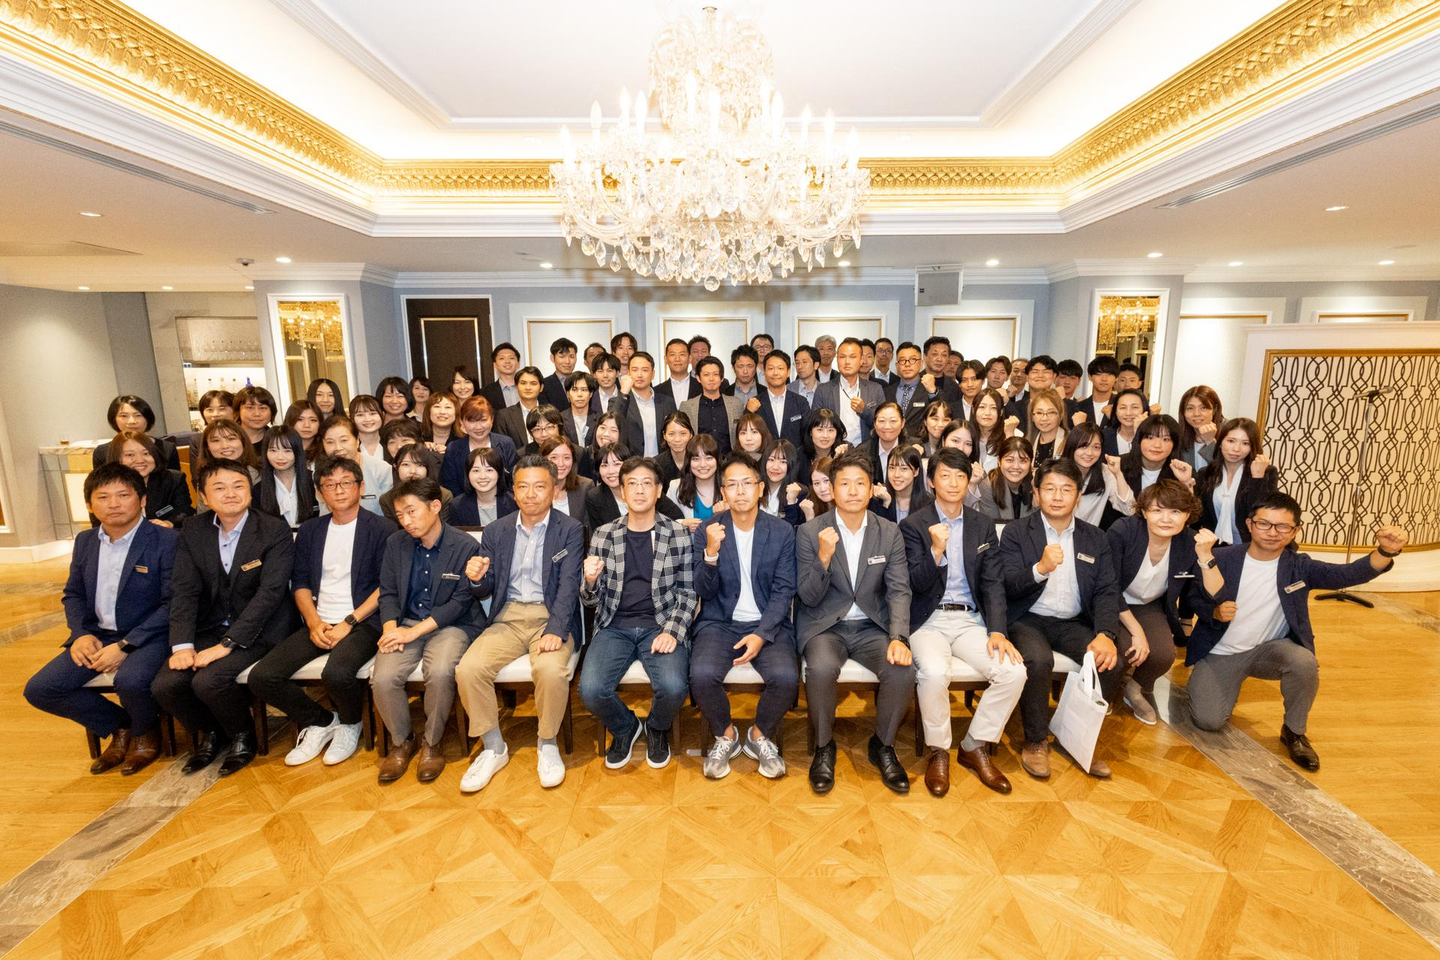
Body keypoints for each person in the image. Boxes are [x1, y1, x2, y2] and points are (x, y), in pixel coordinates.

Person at [1186, 493, 1407, 770]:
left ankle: (1294, 731)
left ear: (1295, 531)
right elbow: (1192, 598)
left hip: (1270, 650)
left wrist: (1385, 551)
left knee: (1304, 661)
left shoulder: (1299, 566)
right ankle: (1222, 686)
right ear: (1250, 525)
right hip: (1222, 652)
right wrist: (1213, 612)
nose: (1272, 532)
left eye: (1282, 526)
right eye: (1264, 524)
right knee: (1208, 720)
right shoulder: (1221, 557)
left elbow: (1347, 574)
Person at [24, 462, 178, 776]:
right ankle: (121, 726)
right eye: (103, 497)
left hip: (149, 634)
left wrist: (126, 645)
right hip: (97, 636)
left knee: (130, 680)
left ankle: (146, 734)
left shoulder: (166, 540)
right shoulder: (85, 541)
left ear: (142, 499)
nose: (114, 504)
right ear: (90, 505)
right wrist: (80, 633)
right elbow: (73, 594)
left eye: (123, 495)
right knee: (41, 689)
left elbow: (173, 603)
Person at [247, 456, 397, 767]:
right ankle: (322, 720)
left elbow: (387, 585)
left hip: (364, 622)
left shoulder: (382, 528)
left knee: (336, 673)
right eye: (330, 485)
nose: (339, 490)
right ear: (319, 492)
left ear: (361, 487)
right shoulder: (311, 530)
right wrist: (314, 623)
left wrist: (349, 621)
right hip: (319, 621)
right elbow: (300, 582)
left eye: (346, 483)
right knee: (263, 676)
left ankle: (351, 723)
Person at [152, 458, 295, 777]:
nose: (230, 493)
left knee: (209, 680)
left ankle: (243, 734)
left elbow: (270, 594)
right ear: (203, 496)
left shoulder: (273, 529)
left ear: (250, 491)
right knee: (166, 684)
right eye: (219, 487)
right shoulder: (193, 530)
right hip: (211, 625)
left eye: (238, 486)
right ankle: (212, 731)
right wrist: (182, 646)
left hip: (260, 630)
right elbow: (184, 591)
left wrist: (228, 644)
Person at [455, 455, 585, 792]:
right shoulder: (496, 531)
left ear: (554, 490)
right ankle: (493, 747)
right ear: (512, 491)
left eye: (539, 486)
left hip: (550, 617)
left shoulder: (569, 529)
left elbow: (569, 585)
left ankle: (547, 743)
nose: (530, 494)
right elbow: (486, 586)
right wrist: (476, 578)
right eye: (523, 487)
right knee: (468, 669)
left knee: (551, 670)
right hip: (507, 618)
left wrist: (556, 629)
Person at [900, 448, 1025, 795]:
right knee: (934, 673)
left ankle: (974, 744)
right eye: (945, 475)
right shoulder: (913, 525)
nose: (953, 483)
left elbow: (993, 583)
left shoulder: (982, 525)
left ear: (969, 480)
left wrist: (997, 631)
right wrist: (935, 551)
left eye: (960, 476)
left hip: (971, 621)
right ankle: (939, 750)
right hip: (929, 620)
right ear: (931, 482)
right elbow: (913, 584)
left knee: (1014, 672)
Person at [796, 451, 914, 795]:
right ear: (831, 490)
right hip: (825, 626)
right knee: (820, 670)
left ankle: (883, 745)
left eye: (859, 483)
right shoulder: (810, 532)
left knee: (902, 669)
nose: (852, 491)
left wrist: (899, 637)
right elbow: (807, 597)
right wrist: (823, 558)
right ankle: (823, 746)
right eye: (844, 484)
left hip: (872, 626)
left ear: (871, 489)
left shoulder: (888, 532)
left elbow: (899, 590)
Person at [998, 458, 1121, 780]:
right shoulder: (1016, 532)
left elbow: (1107, 590)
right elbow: (1007, 584)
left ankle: (1077, 736)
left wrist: (1106, 633)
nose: (1057, 496)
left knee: (1110, 662)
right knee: (1038, 660)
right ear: (1036, 493)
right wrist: (1039, 569)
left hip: (1073, 621)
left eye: (1066, 489)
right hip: (1027, 618)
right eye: (1049, 488)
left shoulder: (1095, 538)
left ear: (1078, 496)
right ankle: (1036, 741)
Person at [580, 456, 699, 769]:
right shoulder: (604, 535)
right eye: (631, 484)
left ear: (659, 490)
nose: (639, 490)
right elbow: (591, 602)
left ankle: (657, 728)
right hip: (614, 626)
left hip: (660, 624)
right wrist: (589, 582)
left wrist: (672, 631)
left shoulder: (677, 534)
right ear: (622, 492)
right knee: (591, 690)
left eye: (647, 483)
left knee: (674, 687)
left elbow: (688, 593)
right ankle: (626, 727)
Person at [691, 453, 799, 780]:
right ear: (723, 492)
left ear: (760, 488)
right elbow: (703, 591)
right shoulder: (708, 529)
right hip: (719, 622)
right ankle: (725, 734)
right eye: (732, 485)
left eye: (747, 484)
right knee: (701, 675)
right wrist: (710, 554)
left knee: (786, 678)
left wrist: (762, 634)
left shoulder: (781, 531)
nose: (740, 491)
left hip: (768, 622)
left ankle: (758, 734)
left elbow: (784, 591)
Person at [372, 477, 484, 784]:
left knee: (440, 670)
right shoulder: (396, 544)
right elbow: (388, 592)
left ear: (435, 506)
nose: (406, 521)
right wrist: (391, 629)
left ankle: (432, 743)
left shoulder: (464, 545)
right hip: (406, 623)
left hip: (452, 625)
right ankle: (402, 741)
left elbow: (461, 601)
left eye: (412, 512)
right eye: (400, 515)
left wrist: (413, 633)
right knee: (383, 677)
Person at [1106, 481, 1223, 725]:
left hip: (1149, 606)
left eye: (1175, 511)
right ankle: (1103, 694)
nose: (1166, 519)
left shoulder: (1189, 542)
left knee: (1163, 655)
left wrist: (1206, 555)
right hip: (1111, 602)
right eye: (1157, 510)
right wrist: (1137, 632)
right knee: (1124, 652)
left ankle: (1134, 689)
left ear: (1187, 515)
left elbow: (1213, 593)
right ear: (1144, 511)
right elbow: (1108, 586)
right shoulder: (1124, 531)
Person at [1195, 418, 1278, 545]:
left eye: (1245, 443)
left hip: (1252, 545)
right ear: (1220, 442)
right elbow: (1200, 516)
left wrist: (1257, 478)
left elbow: (1262, 515)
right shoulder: (1206, 473)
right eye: (1231, 441)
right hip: (1214, 545)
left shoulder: (1266, 472)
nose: (1236, 449)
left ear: (1252, 447)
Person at [110, 432, 192, 527]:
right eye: (130, 455)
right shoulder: (105, 485)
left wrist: (168, 523)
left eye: (146, 453)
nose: (140, 460)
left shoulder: (173, 479)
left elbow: (184, 511)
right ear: (117, 458)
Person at [813, 339, 885, 446]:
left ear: (861, 360)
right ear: (837, 360)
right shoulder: (823, 390)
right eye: (842, 357)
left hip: (866, 450)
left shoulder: (875, 389)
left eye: (852, 357)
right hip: (834, 450)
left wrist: (864, 411)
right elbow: (815, 425)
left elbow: (883, 426)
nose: (847, 362)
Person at [440, 395, 517, 497]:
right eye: (472, 421)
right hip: (464, 504)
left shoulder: (506, 444)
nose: (478, 427)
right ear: (462, 422)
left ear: (492, 420)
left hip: (503, 502)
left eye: (483, 420)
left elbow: (513, 480)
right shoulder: (453, 448)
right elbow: (451, 486)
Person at [1061, 424, 1135, 526]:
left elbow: (1129, 509)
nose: (1089, 453)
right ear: (1072, 446)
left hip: (1087, 534)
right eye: (1084, 446)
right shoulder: (1056, 471)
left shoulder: (1104, 473)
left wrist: (1118, 474)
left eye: (1096, 447)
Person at [318, 415, 393, 515]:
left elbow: (389, 513)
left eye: (344, 440)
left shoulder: (381, 470)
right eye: (330, 442)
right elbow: (325, 513)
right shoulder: (321, 473)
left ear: (357, 440)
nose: (338, 448)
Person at [613, 352, 674, 459]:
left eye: (645, 370)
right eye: (635, 370)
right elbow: (614, 424)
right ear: (628, 373)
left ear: (653, 374)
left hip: (661, 463)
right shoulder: (619, 401)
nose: (639, 375)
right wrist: (624, 392)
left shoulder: (667, 402)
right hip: (630, 463)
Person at [680, 356, 745, 455]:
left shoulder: (736, 404)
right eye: (706, 375)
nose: (711, 379)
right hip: (699, 459)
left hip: (730, 460)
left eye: (715, 374)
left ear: (722, 378)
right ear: (698, 378)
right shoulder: (687, 407)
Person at [252, 428, 316, 528]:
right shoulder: (258, 490)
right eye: (273, 450)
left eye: (287, 451)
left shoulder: (314, 480)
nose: (280, 457)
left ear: (297, 451)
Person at [92, 396, 176, 469]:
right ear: (114, 419)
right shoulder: (102, 452)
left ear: (148, 418)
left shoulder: (166, 448)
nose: (132, 421)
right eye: (124, 416)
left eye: (138, 415)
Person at [379, 443, 452, 521]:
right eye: (406, 464)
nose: (413, 471)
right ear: (396, 466)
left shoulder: (444, 495)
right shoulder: (387, 499)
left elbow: (443, 526)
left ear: (427, 468)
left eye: (420, 465)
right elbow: (393, 528)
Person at [449, 446, 518, 528]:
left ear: (499, 473)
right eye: (476, 471)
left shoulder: (515, 503)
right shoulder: (457, 506)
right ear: (468, 474)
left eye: (489, 470)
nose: (482, 476)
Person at [667, 433, 725, 528]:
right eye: (696, 459)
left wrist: (726, 515)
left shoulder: (730, 486)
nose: (703, 464)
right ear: (688, 462)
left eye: (709, 458)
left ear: (717, 460)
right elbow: (663, 523)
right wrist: (682, 524)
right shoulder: (676, 487)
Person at [972, 437, 1035, 523]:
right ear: (999, 461)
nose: (1016, 466)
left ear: (1030, 463)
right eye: (1009, 460)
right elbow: (992, 525)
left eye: (1023, 461)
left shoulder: (1036, 484)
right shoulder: (989, 485)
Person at [756, 349, 810, 449]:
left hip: (795, 457)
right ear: (764, 371)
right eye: (770, 368)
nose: (775, 373)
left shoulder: (801, 402)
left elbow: (807, 436)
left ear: (788, 372)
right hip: (765, 457)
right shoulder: (756, 403)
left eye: (780, 368)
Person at [870, 446, 931, 524]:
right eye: (892, 468)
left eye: (904, 468)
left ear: (916, 471)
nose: (896, 475)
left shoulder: (929, 504)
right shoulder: (877, 499)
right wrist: (886, 504)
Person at [855, 402, 908, 487]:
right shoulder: (862, 451)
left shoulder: (912, 447)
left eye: (893, 421)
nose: (887, 426)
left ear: (902, 423)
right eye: (882, 421)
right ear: (875, 424)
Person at [540, 435, 593, 520]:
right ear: (543, 460)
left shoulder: (585, 487)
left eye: (566, 458)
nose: (561, 464)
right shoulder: (535, 488)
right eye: (554, 457)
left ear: (573, 460)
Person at [494, 367, 545, 450]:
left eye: (533, 383)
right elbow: (502, 448)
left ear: (541, 387)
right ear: (516, 387)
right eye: (523, 383)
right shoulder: (504, 415)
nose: (528, 387)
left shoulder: (551, 412)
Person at [758, 438, 806, 525]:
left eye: (783, 462)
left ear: (791, 465)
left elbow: (793, 529)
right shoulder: (755, 488)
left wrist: (791, 502)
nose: (775, 467)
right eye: (771, 460)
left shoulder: (801, 493)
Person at [195, 418, 260, 482]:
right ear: (207, 446)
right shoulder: (204, 476)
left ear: (243, 441)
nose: (225, 446)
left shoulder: (259, 473)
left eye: (231, 439)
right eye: (216, 440)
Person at [183, 389, 236, 467]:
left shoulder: (245, 435)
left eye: (222, 409)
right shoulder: (198, 440)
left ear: (235, 411)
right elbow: (197, 472)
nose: (215, 414)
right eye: (209, 410)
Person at [1005, 355, 1056, 433]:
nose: (1040, 376)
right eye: (1035, 371)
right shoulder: (1015, 407)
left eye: (1046, 372)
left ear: (1054, 377)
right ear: (1027, 377)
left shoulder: (1063, 406)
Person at [1176, 385, 1223, 470]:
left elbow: (1225, 469)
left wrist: (1210, 441)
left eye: (1203, 408)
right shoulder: (1178, 437)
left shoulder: (1229, 434)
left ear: (1214, 410)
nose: (1196, 414)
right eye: (1190, 408)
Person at [970, 388, 1014, 472]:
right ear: (973, 410)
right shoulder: (966, 435)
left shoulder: (1013, 434)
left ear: (1001, 412)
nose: (987, 413)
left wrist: (1010, 436)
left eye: (993, 408)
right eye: (982, 407)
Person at [1071, 356, 1119, 429]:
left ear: (1116, 378)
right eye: (1098, 374)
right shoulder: (1078, 407)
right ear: (1090, 377)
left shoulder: (1121, 406)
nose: (1104, 379)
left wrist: (1114, 418)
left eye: (1109, 374)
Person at [798, 408, 843, 480]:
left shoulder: (844, 453)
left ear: (837, 433)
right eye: (820, 430)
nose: (825, 435)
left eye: (830, 430)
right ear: (810, 432)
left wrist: (838, 460)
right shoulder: (799, 456)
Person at [1102, 388, 1148, 457]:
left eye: (1135, 407)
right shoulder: (1103, 436)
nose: (1128, 413)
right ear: (1115, 411)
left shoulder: (1152, 439)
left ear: (1144, 410)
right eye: (1123, 408)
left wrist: (1138, 433)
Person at [656, 411, 695, 490]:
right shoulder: (656, 465)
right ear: (664, 435)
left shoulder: (700, 462)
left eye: (683, 433)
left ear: (691, 434)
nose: (677, 439)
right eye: (671, 434)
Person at [559, 371, 598, 450]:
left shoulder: (599, 419)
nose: (579, 394)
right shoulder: (559, 420)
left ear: (591, 394)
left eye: (584, 390)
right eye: (574, 390)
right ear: (568, 394)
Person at [479, 342, 521, 412]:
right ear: (495, 365)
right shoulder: (485, 392)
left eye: (511, 358)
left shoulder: (530, 388)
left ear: (518, 363)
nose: (507, 361)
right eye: (502, 358)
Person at [1026, 389, 1067, 461]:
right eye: (1039, 413)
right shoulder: (1027, 443)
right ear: (1032, 417)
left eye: (1051, 412)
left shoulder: (1070, 442)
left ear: (1061, 415)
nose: (1044, 418)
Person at [659, 338, 699, 407]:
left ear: (690, 358)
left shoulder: (702, 387)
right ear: (666, 359)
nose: (677, 359)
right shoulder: (657, 391)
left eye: (682, 354)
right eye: (672, 354)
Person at [541, 337, 579, 410]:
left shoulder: (583, 382)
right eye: (562, 357)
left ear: (576, 359)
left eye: (571, 357)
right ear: (552, 358)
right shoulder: (544, 385)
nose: (567, 361)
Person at [349, 394, 387, 463]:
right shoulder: (349, 446)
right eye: (360, 415)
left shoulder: (390, 442)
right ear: (351, 418)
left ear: (383, 414)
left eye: (372, 413)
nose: (367, 419)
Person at [798, 456, 835, 522]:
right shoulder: (809, 507)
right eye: (816, 483)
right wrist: (810, 517)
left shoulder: (849, 506)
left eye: (826, 481)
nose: (822, 489)